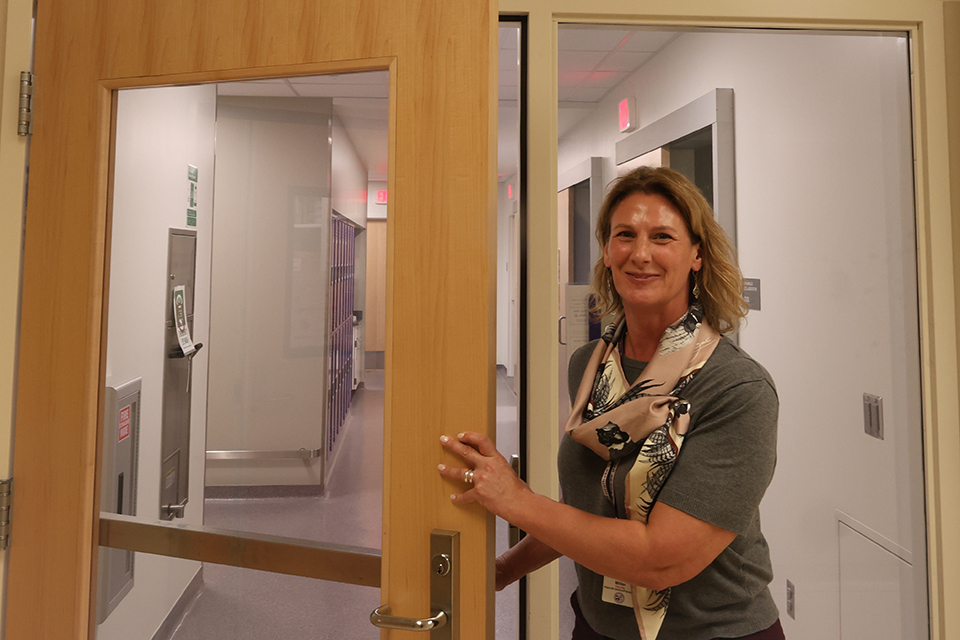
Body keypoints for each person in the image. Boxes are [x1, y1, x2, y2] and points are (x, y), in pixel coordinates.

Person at [439, 166, 783, 640]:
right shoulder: (591, 364)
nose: (640, 254)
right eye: (625, 235)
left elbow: (661, 558)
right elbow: (587, 513)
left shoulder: (735, 389)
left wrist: (517, 501)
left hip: (713, 631)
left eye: (662, 236)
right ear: (606, 250)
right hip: (599, 625)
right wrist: (502, 570)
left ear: (697, 254)